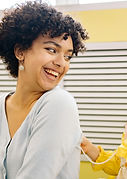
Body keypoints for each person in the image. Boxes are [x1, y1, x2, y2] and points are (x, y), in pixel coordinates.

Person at [0, 1, 88, 179]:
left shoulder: (59, 104)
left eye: (67, 56)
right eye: (51, 49)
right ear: (20, 51)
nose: (61, 63)